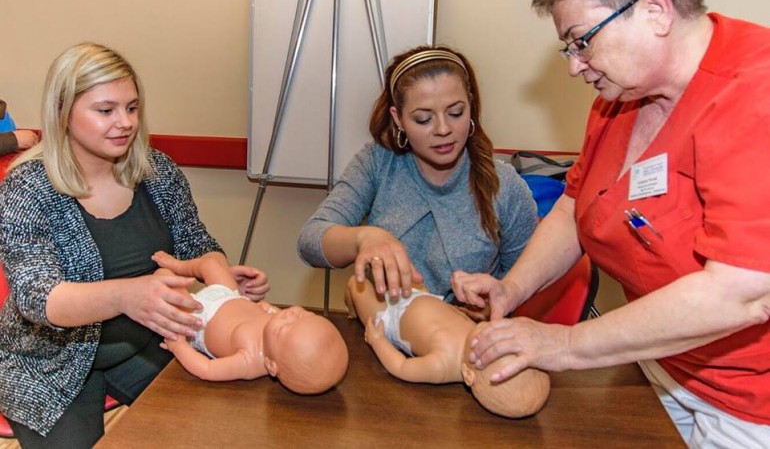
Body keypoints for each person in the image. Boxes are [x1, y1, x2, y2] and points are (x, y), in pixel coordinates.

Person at [451, 0, 770, 447]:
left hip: (748, 403)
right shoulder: (620, 97)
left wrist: (565, 345)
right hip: (658, 362)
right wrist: (514, 287)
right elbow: (576, 207)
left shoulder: (753, 97)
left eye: (581, 42)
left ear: (655, 10)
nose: (575, 67)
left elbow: (741, 294)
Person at [0, 42, 268, 447]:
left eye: (132, 107)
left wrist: (222, 280)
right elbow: (37, 299)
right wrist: (125, 295)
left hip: (146, 343)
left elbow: (197, 245)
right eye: (106, 110)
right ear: (62, 111)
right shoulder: (27, 188)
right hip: (50, 362)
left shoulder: (157, 171)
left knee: (222, 426)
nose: (124, 122)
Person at [297, 45, 538, 302]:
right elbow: (310, 241)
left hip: (467, 335)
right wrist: (364, 238)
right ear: (398, 119)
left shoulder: (504, 185)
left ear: (471, 106)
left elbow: (526, 282)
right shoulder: (378, 163)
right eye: (423, 119)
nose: (443, 129)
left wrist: (493, 303)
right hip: (382, 331)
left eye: (456, 113)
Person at [345, 275, 550, 418]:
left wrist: (378, 340)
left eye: (489, 348)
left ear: (468, 375)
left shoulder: (441, 365)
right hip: (422, 295)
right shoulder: (475, 335)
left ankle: (353, 309)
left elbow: (400, 367)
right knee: (402, 268)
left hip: (389, 318)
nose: (493, 335)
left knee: (358, 284)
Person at [152, 251, 349, 394]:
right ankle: (178, 265)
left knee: (163, 280)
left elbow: (206, 369)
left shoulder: (250, 361)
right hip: (229, 296)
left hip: (197, 320)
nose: (289, 315)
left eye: (284, 328)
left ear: (272, 366)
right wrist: (261, 305)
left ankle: (169, 273)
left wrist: (178, 346)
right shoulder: (281, 330)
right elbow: (264, 309)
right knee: (211, 264)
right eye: (304, 315)